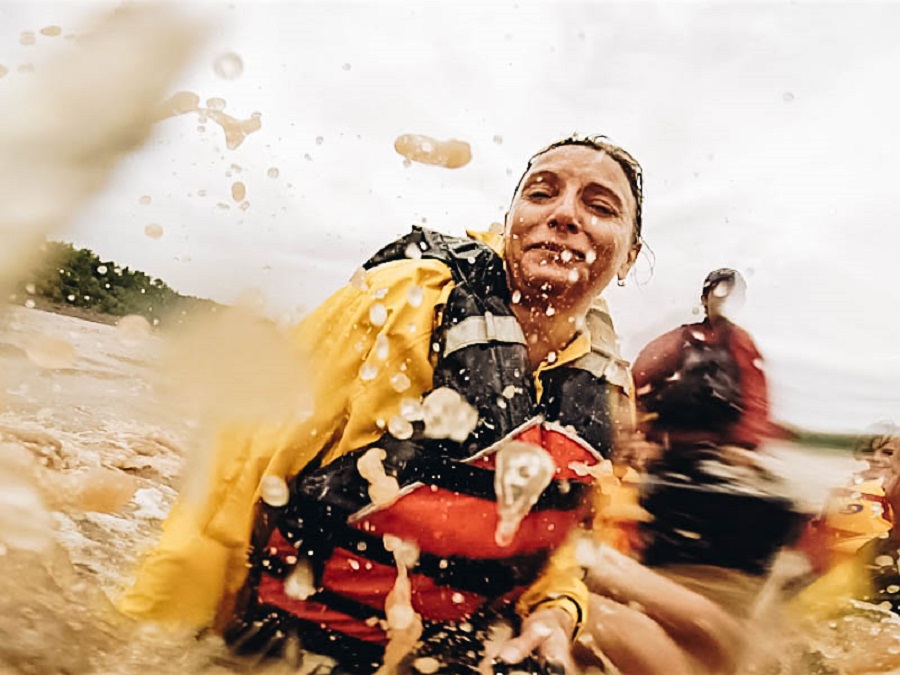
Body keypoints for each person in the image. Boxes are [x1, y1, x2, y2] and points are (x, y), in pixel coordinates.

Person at [119, 134, 645, 673]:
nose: (563, 214)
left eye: (599, 206)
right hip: (297, 642)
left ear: (627, 256)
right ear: (509, 221)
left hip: (455, 652)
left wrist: (558, 611)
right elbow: (234, 477)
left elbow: (568, 545)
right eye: (541, 194)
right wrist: (157, 639)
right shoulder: (401, 300)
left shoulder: (603, 393)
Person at [631, 269, 800, 578]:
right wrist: (639, 437)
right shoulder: (674, 342)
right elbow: (634, 387)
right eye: (718, 294)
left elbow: (755, 398)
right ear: (705, 298)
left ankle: (737, 579)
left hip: (720, 453)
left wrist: (743, 447)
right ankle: (658, 561)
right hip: (664, 449)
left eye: (731, 296)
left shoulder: (741, 344)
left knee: (777, 508)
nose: (723, 302)